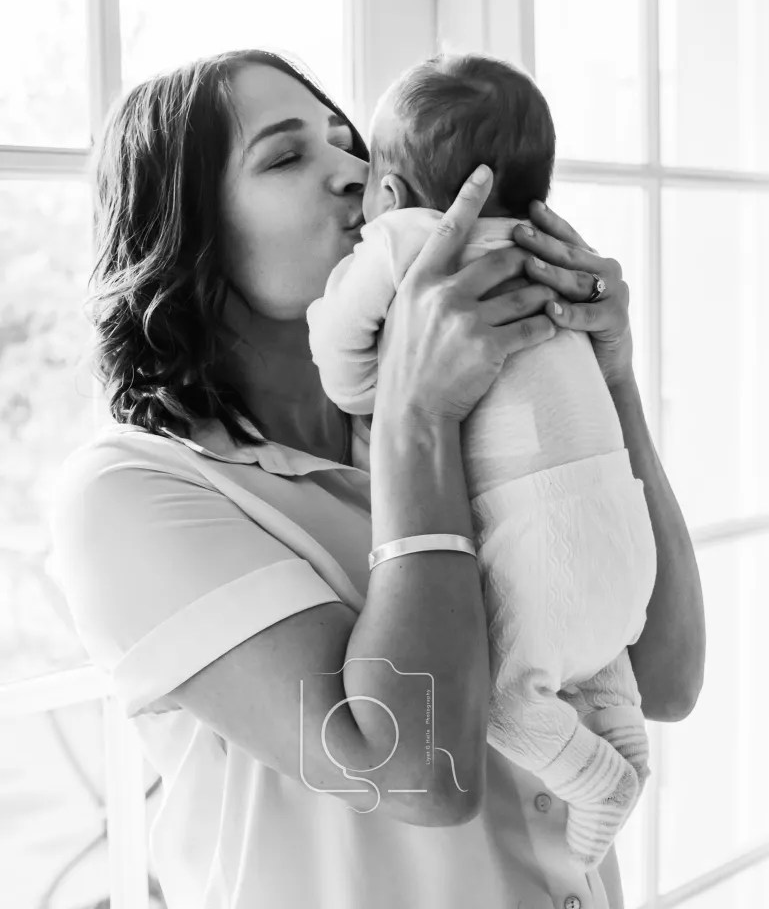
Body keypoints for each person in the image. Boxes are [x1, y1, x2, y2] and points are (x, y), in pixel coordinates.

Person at [50, 49, 705, 909]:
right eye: (286, 157)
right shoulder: (131, 494)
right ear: (188, 236)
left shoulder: (469, 408)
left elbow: (667, 678)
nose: (356, 173)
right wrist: (415, 418)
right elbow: (417, 771)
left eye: (349, 142)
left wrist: (607, 375)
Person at [306, 53, 657, 869]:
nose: (348, 181)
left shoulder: (403, 241)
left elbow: (340, 356)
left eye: (357, 157)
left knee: (507, 698)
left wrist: (375, 385)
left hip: (533, 531)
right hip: (611, 514)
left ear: (390, 194)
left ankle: (603, 781)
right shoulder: (553, 256)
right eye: (289, 156)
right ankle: (622, 734)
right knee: (600, 660)